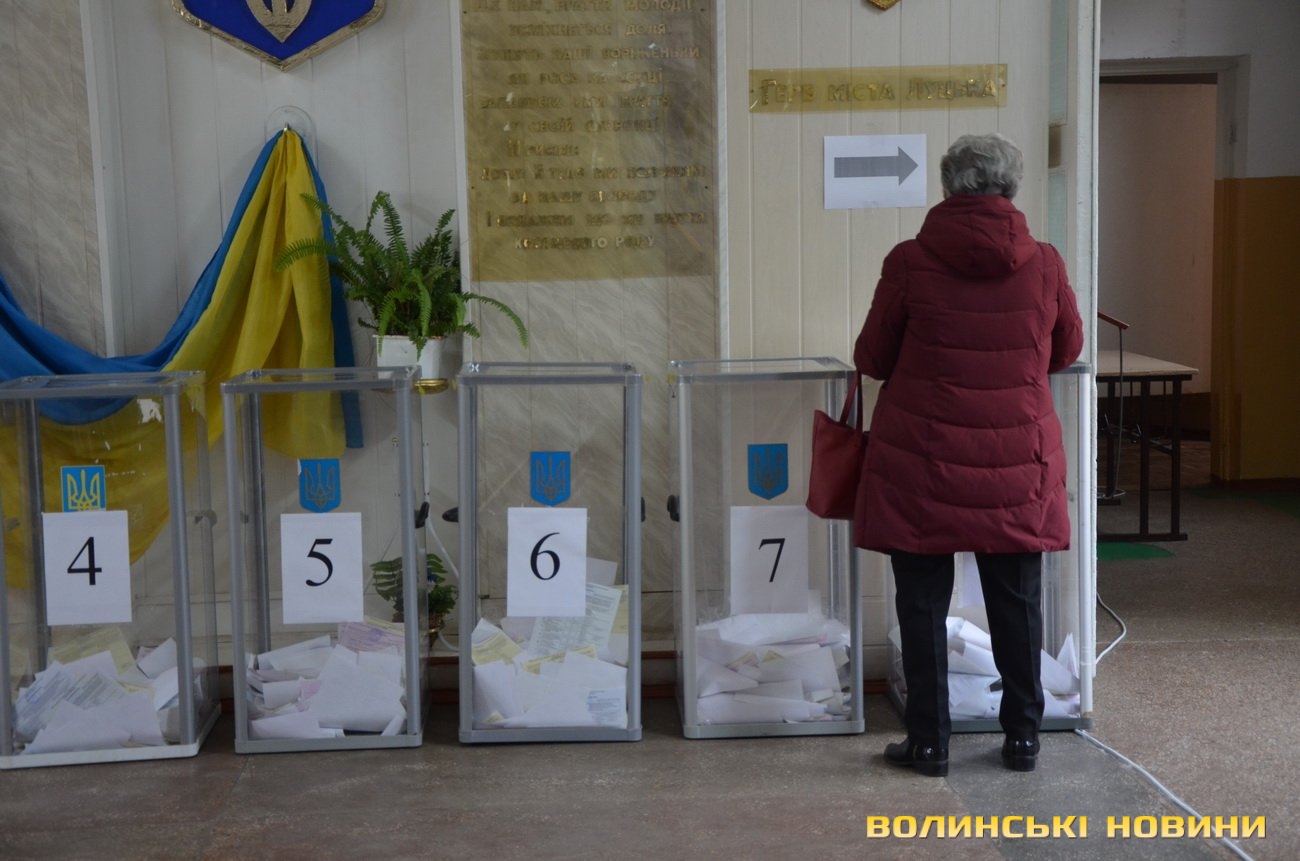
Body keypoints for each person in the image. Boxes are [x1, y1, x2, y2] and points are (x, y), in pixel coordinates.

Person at [852, 133, 1084, 777]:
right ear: (1011, 187)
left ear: (949, 186)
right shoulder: (1045, 263)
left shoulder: (908, 261)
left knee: (922, 603)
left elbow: (872, 357)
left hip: (921, 463)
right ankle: (1023, 738)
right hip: (1016, 460)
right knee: (1018, 602)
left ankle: (929, 742)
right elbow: (1066, 349)